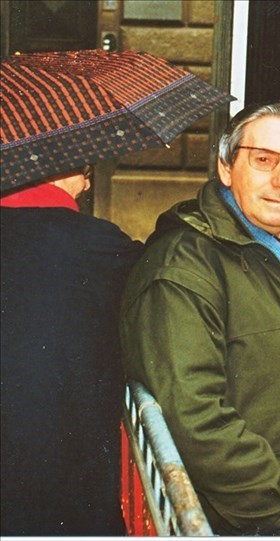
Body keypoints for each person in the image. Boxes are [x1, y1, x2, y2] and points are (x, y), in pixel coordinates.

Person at [119, 99, 280, 536]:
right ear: (226, 167)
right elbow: (196, 416)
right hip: (257, 522)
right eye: (263, 160)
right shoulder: (184, 266)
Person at [1, 166, 143, 534]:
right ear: (72, 176)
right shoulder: (100, 243)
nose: (89, 184)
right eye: (86, 172)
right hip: (66, 473)